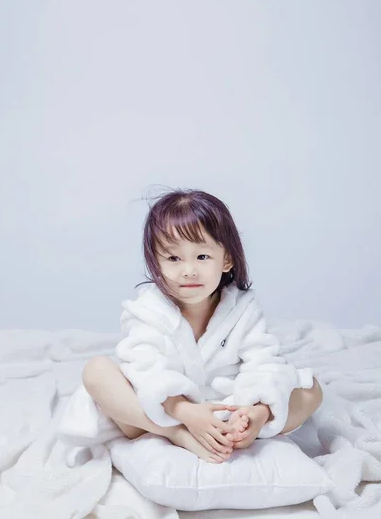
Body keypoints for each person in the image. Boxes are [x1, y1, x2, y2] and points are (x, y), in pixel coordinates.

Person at [83, 188, 323, 464]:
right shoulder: (147, 310)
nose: (188, 270)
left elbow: (263, 362)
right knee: (96, 371)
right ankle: (176, 435)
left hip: (227, 408)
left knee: (311, 388)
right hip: (162, 413)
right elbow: (145, 369)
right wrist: (182, 411)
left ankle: (233, 433)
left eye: (202, 257)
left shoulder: (242, 309)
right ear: (155, 263)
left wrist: (257, 414)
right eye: (173, 258)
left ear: (227, 260)